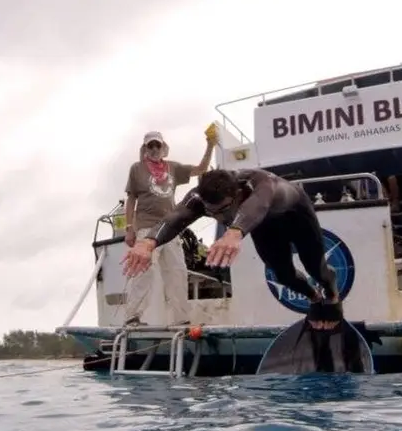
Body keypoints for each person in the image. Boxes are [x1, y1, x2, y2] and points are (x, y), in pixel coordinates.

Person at [122, 167, 343, 331]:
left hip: (296, 215)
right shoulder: (200, 197)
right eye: (212, 212)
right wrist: (149, 242)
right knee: (283, 275)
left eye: (224, 209)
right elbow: (175, 217)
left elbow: (261, 203)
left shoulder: (260, 183)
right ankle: (314, 298)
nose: (219, 217)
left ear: (237, 194)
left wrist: (235, 231)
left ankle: (331, 293)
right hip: (263, 226)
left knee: (316, 268)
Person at [121, 126, 217, 327]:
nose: (154, 148)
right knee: (144, 270)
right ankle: (132, 317)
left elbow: (201, 169)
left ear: (163, 147)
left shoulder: (173, 168)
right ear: (145, 148)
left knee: (177, 271)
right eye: (151, 145)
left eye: (158, 144)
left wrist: (210, 146)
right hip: (146, 228)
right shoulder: (136, 169)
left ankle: (181, 318)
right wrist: (129, 228)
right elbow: (131, 199)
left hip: (170, 228)